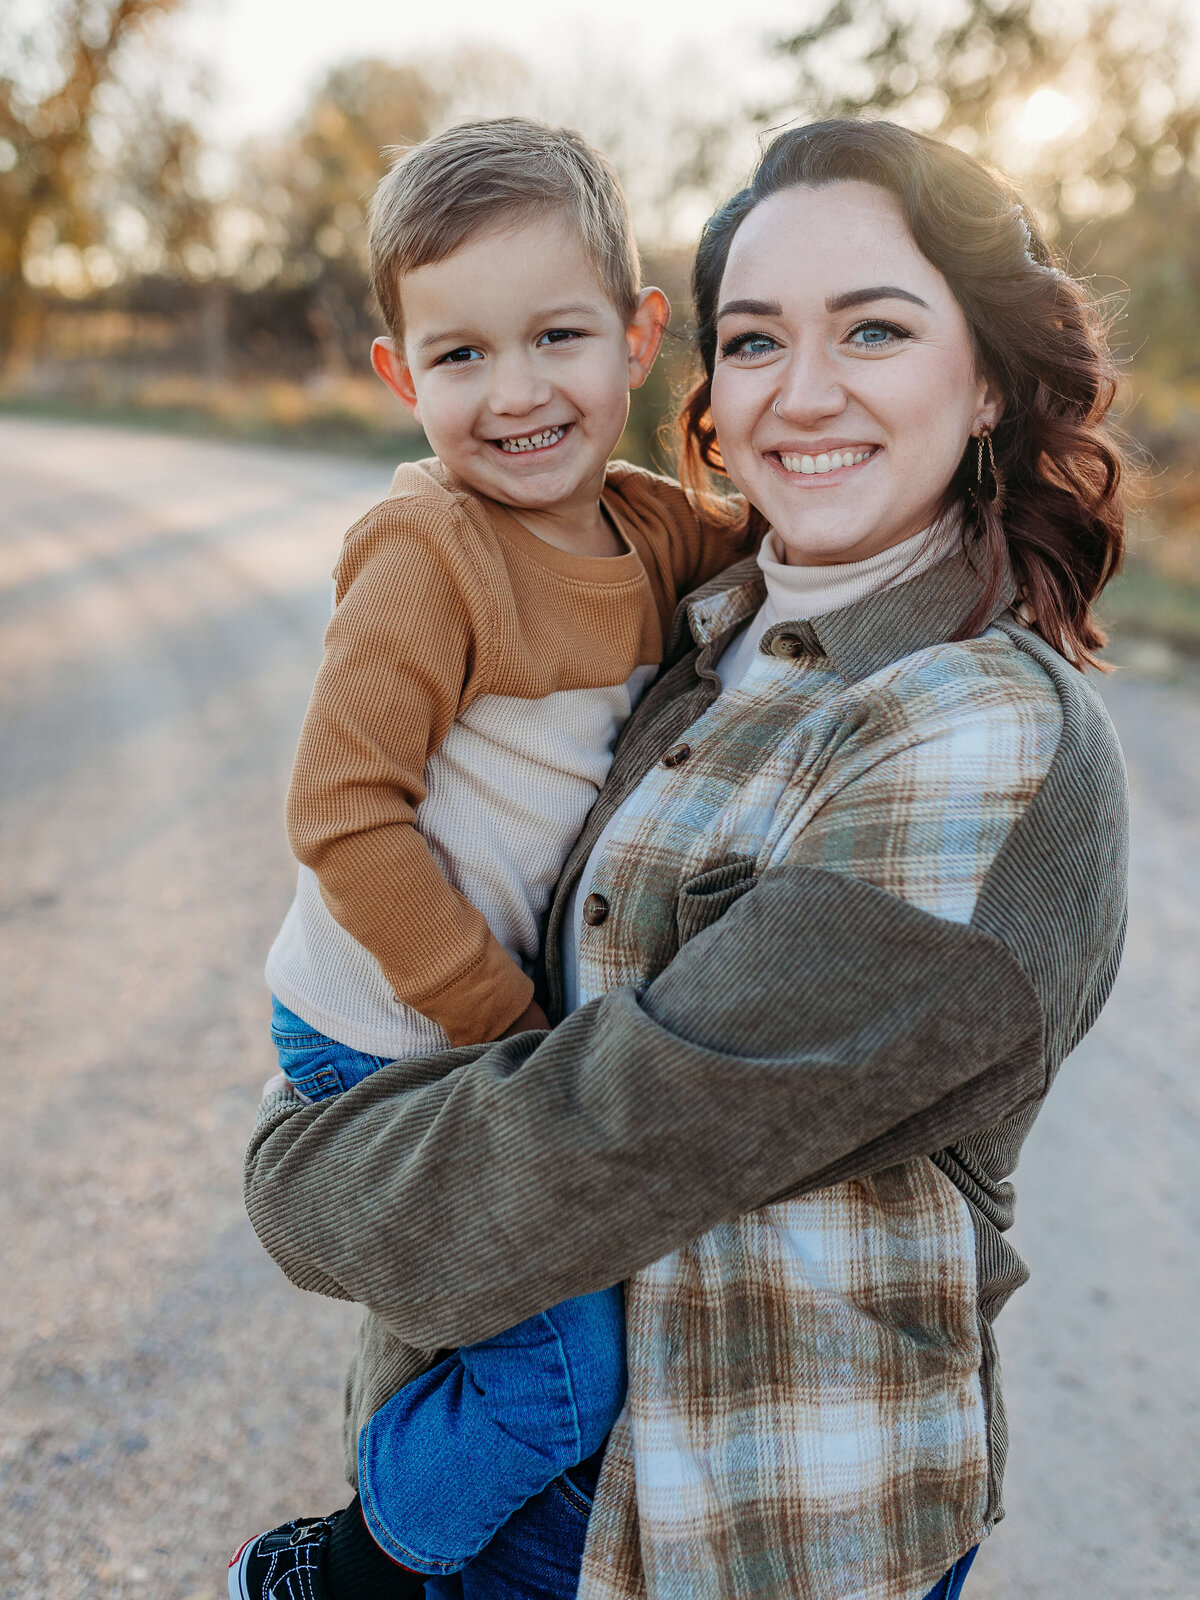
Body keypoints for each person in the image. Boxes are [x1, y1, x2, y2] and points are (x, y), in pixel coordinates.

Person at [242, 119, 1130, 1600]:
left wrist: (304, 1178)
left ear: (984, 378)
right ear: (706, 380)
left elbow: (635, 1121)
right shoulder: (718, 625)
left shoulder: (979, 727)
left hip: (767, 1530)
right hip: (547, 1504)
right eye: (758, 340)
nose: (808, 388)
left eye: (876, 329)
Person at [229, 119, 748, 1599]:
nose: (516, 394)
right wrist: (497, 1024)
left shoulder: (650, 532)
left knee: (581, 1351)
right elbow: (341, 813)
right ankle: (355, 1564)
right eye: (460, 356)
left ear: (641, 338)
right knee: (567, 1378)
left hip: (475, 1040)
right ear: (401, 374)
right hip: (384, 1033)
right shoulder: (428, 552)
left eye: (558, 337)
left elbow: (789, 547)